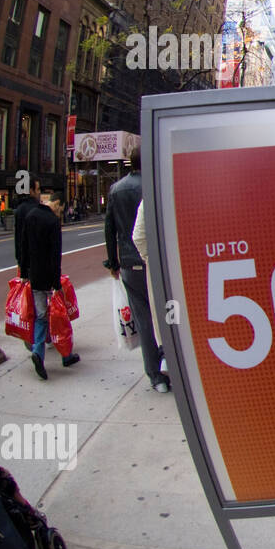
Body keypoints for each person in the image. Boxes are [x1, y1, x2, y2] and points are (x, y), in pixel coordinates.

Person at [104, 148, 170, 393]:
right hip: (156, 261)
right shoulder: (155, 184)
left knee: (143, 320)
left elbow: (110, 230)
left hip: (130, 263)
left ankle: (155, 376)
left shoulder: (116, 190)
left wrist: (113, 263)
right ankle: (170, 364)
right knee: (167, 316)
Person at [22, 190, 80, 378]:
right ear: (57, 204)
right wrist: (56, 283)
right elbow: (56, 255)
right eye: (61, 210)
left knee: (40, 316)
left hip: (34, 276)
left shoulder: (30, 216)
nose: (60, 213)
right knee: (58, 317)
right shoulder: (53, 222)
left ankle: (38, 352)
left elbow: (24, 246)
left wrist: (24, 273)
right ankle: (66, 355)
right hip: (49, 277)